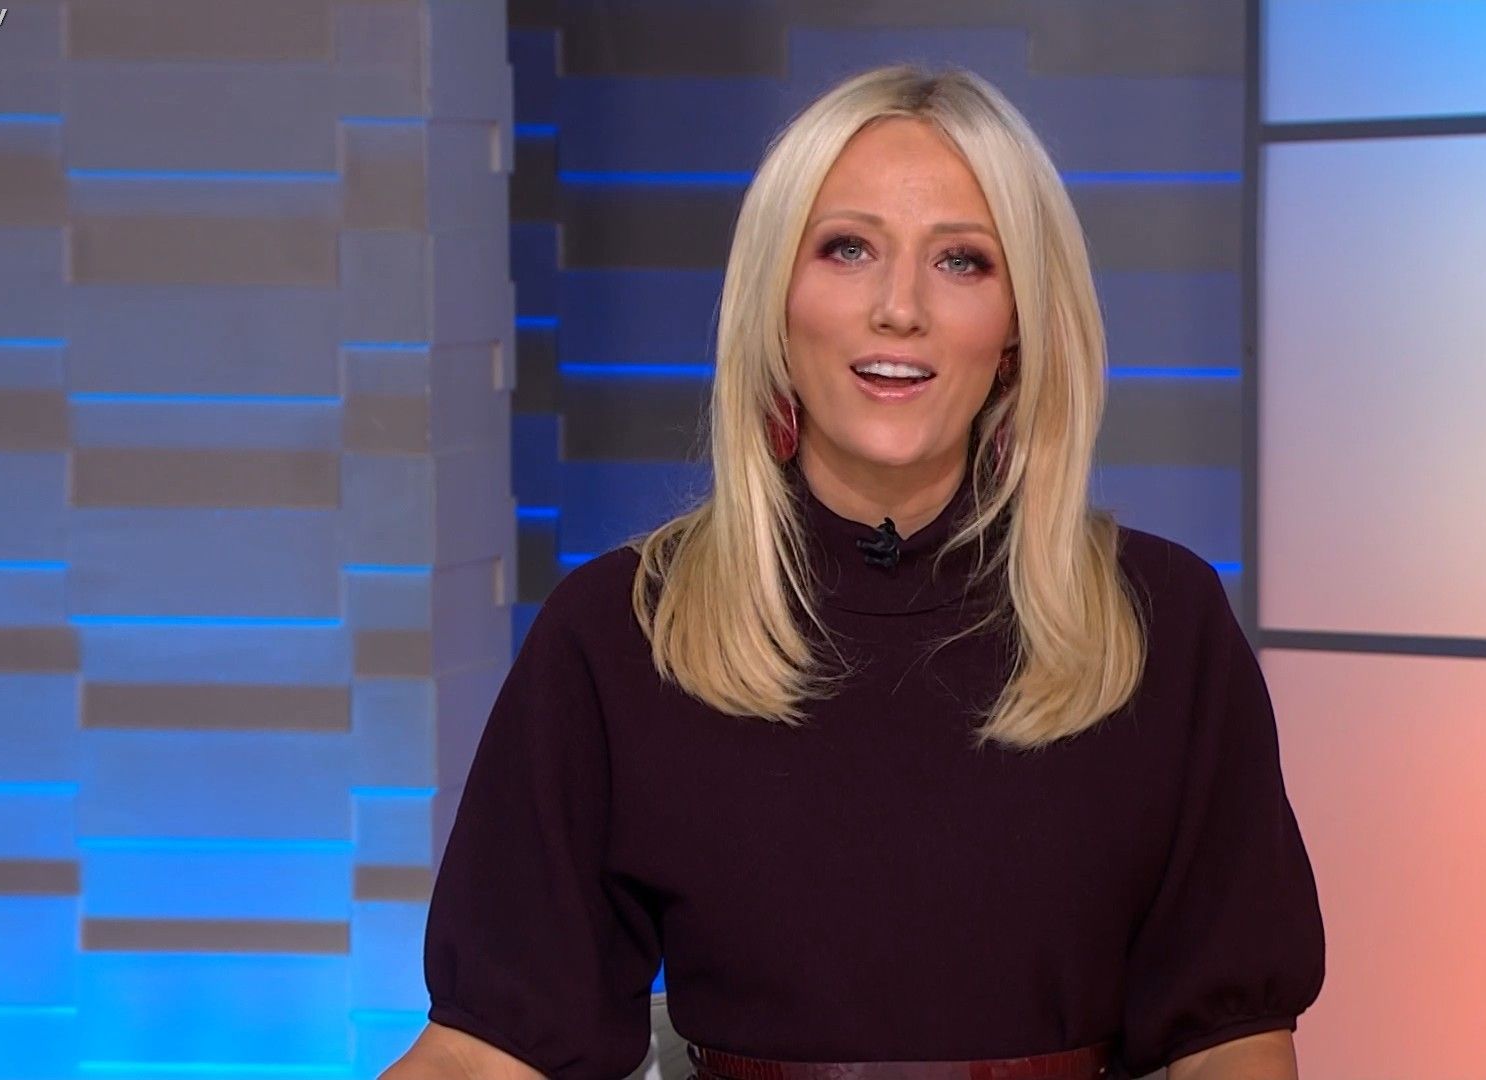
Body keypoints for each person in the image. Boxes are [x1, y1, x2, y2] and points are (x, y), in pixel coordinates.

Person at [383, 64, 1324, 1080]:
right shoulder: (621, 630)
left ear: (1016, 327)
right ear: (776, 300)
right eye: (847, 249)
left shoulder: (1163, 624)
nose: (898, 308)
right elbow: (486, 1049)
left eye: (961, 261)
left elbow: (1233, 1044)